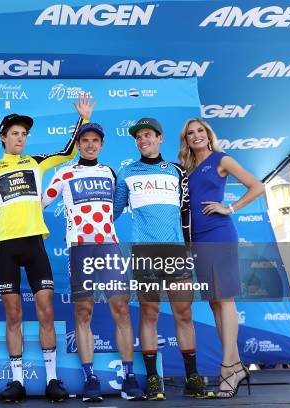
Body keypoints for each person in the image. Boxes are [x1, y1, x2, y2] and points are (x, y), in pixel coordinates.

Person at [0, 94, 93, 402]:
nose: (20, 138)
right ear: (3, 137)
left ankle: (53, 379)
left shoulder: (36, 161)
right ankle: (17, 382)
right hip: (5, 246)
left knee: (46, 311)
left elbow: (68, 154)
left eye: (24, 134)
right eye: (15, 133)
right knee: (12, 314)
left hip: (34, 243)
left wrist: (82, 119)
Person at [41, 123, 144, 402]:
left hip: (109, 247)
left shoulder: (109, 172)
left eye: (94, 140)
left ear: (101, 144)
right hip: (80, 250)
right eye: (84, 140)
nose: (89, 144)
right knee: (83, 312)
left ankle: (129, 376)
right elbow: (39, 204)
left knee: (121, 309)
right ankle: (90, 378)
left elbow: (118, 209)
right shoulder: (64, 173)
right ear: (77, 144)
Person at [113, 118, 213, 401]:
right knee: (150, 314)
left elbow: (187, 213)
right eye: (138, 137)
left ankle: (193, 378)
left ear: (160, 138)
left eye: (147, 135)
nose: (142, 140)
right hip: (144, 252)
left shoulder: (178, 171)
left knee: (184, 313)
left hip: (175, 252)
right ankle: (154, 380)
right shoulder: (126, 172)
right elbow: (113, 211)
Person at [178, 118, 264, 397]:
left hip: (219, 233)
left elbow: (257, 186)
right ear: (186, 140)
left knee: (225, 298)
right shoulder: (186, 169)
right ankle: (236, 366)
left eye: (200, 131)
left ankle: (228, 366)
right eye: (191, 133)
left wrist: (231, 208)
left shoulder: (222, 159)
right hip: (198, 240)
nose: (196, 136)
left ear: (208, 134)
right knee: (215, 302)